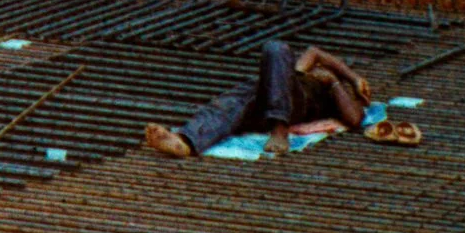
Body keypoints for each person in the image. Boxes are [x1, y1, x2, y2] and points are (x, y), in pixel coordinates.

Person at [142, 40, 420, 156]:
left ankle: (280, 129)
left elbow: (355, 119)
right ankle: (186, 142)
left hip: (297, 104)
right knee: (232, 100)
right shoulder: (297, 72)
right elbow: (315, 52)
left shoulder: (327, 92)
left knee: (274, 53)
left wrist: (334, 82)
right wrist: (351, 75)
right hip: (266, 96)